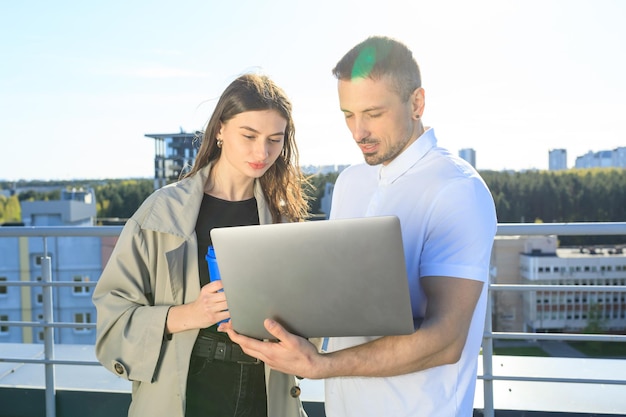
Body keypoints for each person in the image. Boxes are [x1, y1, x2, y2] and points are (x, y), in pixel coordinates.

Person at [221, 36, 498, 417]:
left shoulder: (457, 191)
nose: (357, 131)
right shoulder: (352, 182)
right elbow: (338, 299)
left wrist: (321, 365)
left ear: (416, 103)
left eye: (373, 113)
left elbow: (446, 341)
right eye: (348, 114)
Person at [92, 73, 310, 417]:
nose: (262, 152)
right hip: (190, 388)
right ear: (220, 130)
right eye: (249, 135)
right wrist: (190, 314)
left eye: (274, 139)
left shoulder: (284, 216)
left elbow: (304, 313)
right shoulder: (160, 212)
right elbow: (112, 320)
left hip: (265, 389)